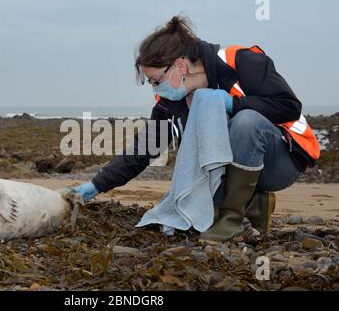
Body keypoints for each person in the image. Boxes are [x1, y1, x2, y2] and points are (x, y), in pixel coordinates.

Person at [73, 15, 320, 243]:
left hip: (282, 161)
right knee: (187, 206)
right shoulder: (170, 102)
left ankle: (231, 218)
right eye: (150, 83)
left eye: (156, 81)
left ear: (180, 66)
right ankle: (254, 204)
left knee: (246, 121)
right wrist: (96, 186)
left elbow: (288, 106)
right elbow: (144, 149)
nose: (155, 89)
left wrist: (233, 103)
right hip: (232, 173)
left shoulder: (241, 61)